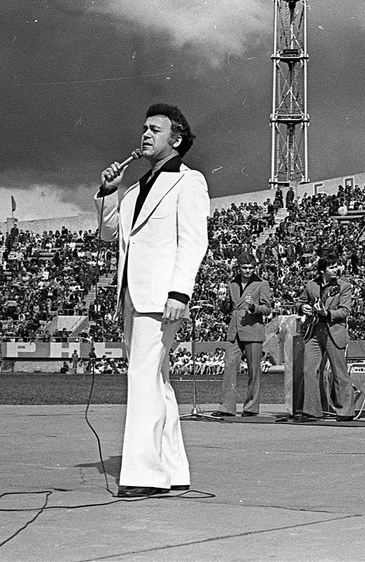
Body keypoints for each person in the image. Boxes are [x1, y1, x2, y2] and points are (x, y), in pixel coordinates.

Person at [96, 103, 209, 497]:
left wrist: (180, 292)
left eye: (154, 130)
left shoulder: (188, 182)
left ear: (175, 140)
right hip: (132, 297)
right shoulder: (134, 189)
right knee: (156, 380)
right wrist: (109, 192)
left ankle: (145, 474)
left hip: (161, 298)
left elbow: (193, 241)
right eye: (144, 128)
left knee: (142, 377)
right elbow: (110, 234)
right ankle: (173, 469)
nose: (145, 134)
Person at [295, 251, 355, 421]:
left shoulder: (344, 286)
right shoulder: (311, 285)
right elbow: (299, 302)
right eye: (332, 267)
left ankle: (345, 411)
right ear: (322, 270)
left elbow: (345, 311)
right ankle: (311, 411)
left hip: (333, 330)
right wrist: (302, 308)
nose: (336, 269)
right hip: (314, 331)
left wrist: (326, 313)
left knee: (339, 372)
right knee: (309, 370)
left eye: (337, 266)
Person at [212, 251, 272, 418]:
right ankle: (226, 407)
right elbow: (228, 309)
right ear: (239, 267)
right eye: (244, 267)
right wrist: (222, 302)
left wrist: (253, 307)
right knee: (229, 368)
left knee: (254, 371)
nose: (247, 271)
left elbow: (267, 309)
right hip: (234, 330)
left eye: (250, 268)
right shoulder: (232, 284)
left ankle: (251, 407)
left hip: (253, 329)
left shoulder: (262, 284)